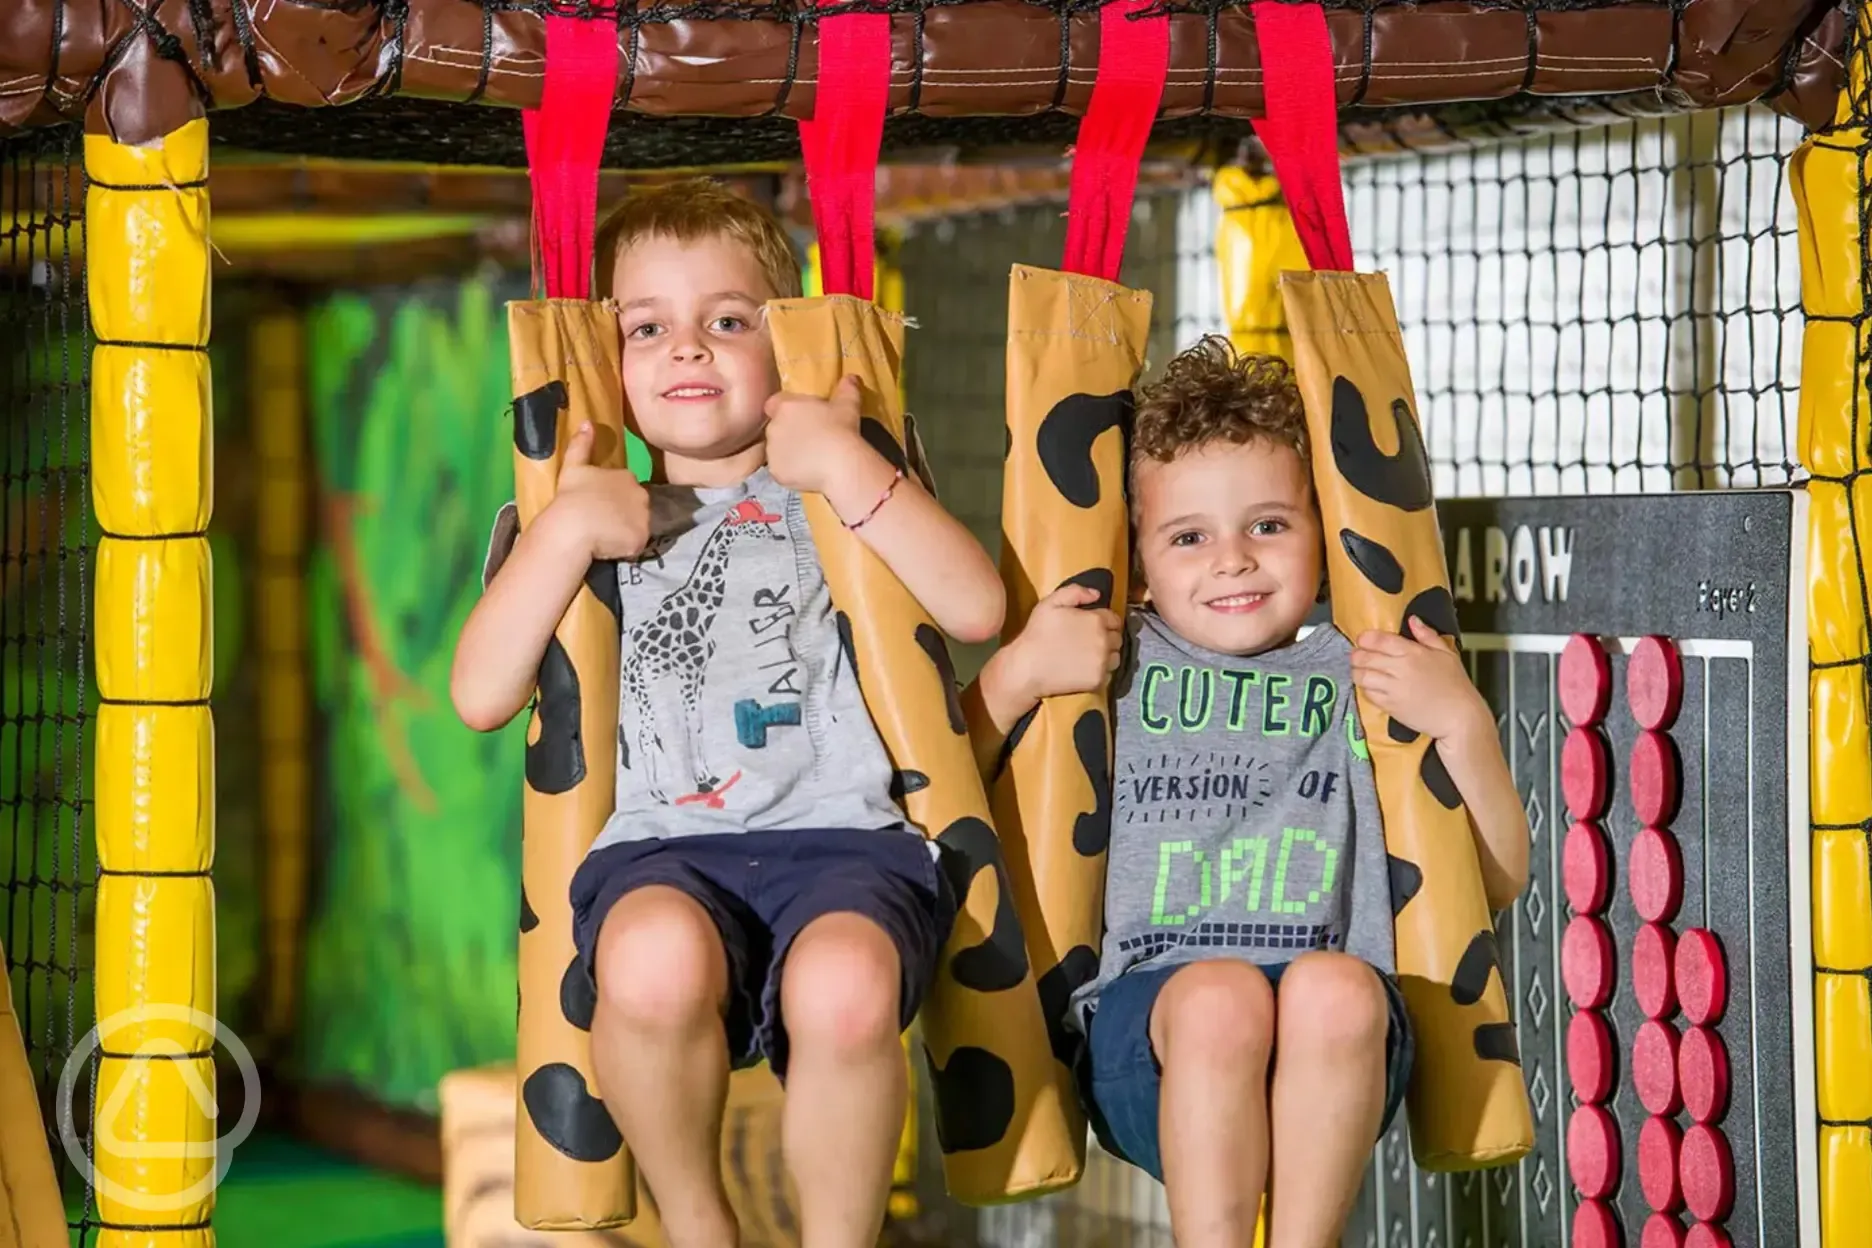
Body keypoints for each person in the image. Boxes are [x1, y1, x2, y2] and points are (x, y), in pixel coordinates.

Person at [452, 178, 1006, 1248]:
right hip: (667, 846)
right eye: (647, 327)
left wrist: (846, 463)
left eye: (728, 321)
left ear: (783, 340)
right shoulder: (584, 507)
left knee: (847, 990)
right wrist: (565, 534)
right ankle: (703, 1228)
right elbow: (481, 694)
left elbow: (975, 605)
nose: (688, 350)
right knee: (648, 962)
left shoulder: (836, 492)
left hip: (848, 841)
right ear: (606, 363)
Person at [967, 337, 1529, 1248]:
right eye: (1190, 537)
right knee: (1221, 996)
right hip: (1150, 1039)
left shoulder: (1360, 672)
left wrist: (1462, 723)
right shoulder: (1116, 662)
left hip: (1332, 1059)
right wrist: (1018, 676)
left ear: (1324, 533)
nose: (1231, 560)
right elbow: (954, 796)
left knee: (1342, 990)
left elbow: (1497, 880)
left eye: (1267, 525)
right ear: (1141, 563)